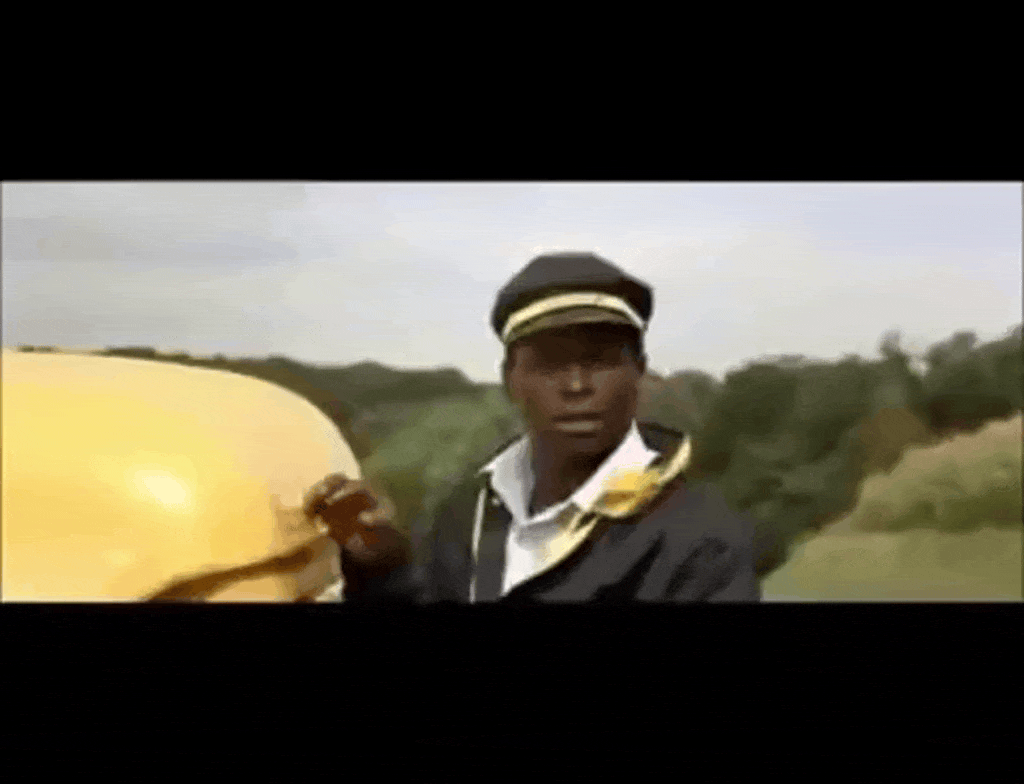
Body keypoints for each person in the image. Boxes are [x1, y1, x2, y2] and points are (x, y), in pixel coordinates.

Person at [307, 251, 762, 602]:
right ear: (511, 379)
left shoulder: (703, 536)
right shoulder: (470, 508)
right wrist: (382, 570)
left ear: (639, 372)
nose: (577, 385)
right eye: (550, 363)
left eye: (600, 361)